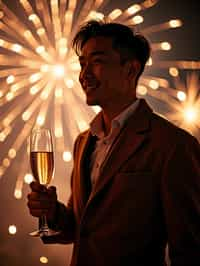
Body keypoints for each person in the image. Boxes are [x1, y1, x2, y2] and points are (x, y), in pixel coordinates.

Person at [27, 20, 200, 266]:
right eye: (82, 63)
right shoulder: (83, 142)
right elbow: (79, 227)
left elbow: (190, 249)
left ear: (130, 70)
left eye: (96, 62)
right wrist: (51, 211)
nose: (84, 74)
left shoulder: (173, 145)